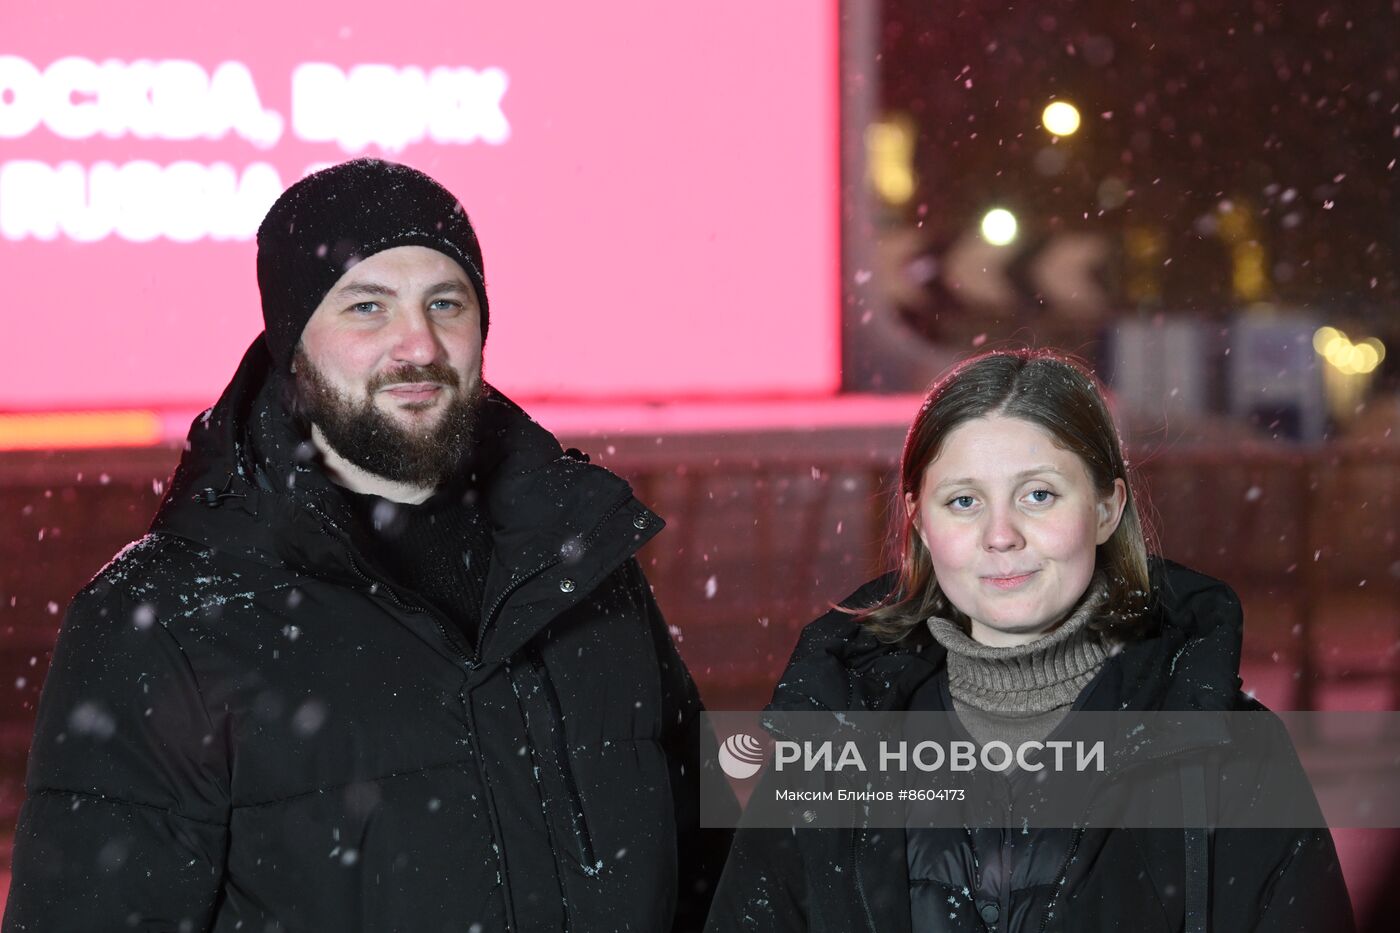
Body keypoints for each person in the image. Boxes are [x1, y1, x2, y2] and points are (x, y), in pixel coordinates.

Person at [4, 158, 732, 932]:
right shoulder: (165, 619)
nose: (418, 343)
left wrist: (861, 673)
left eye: (445, 302)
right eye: (366, 307)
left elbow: (734, 851)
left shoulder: (579, 560)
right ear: (292, 342)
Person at [706, 349, 1354, 932]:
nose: (1000, 534)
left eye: (1038, 494)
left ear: (1105, 509)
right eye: (963, 501)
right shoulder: (830, 749)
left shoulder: (1232, 757)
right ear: (921, 524)